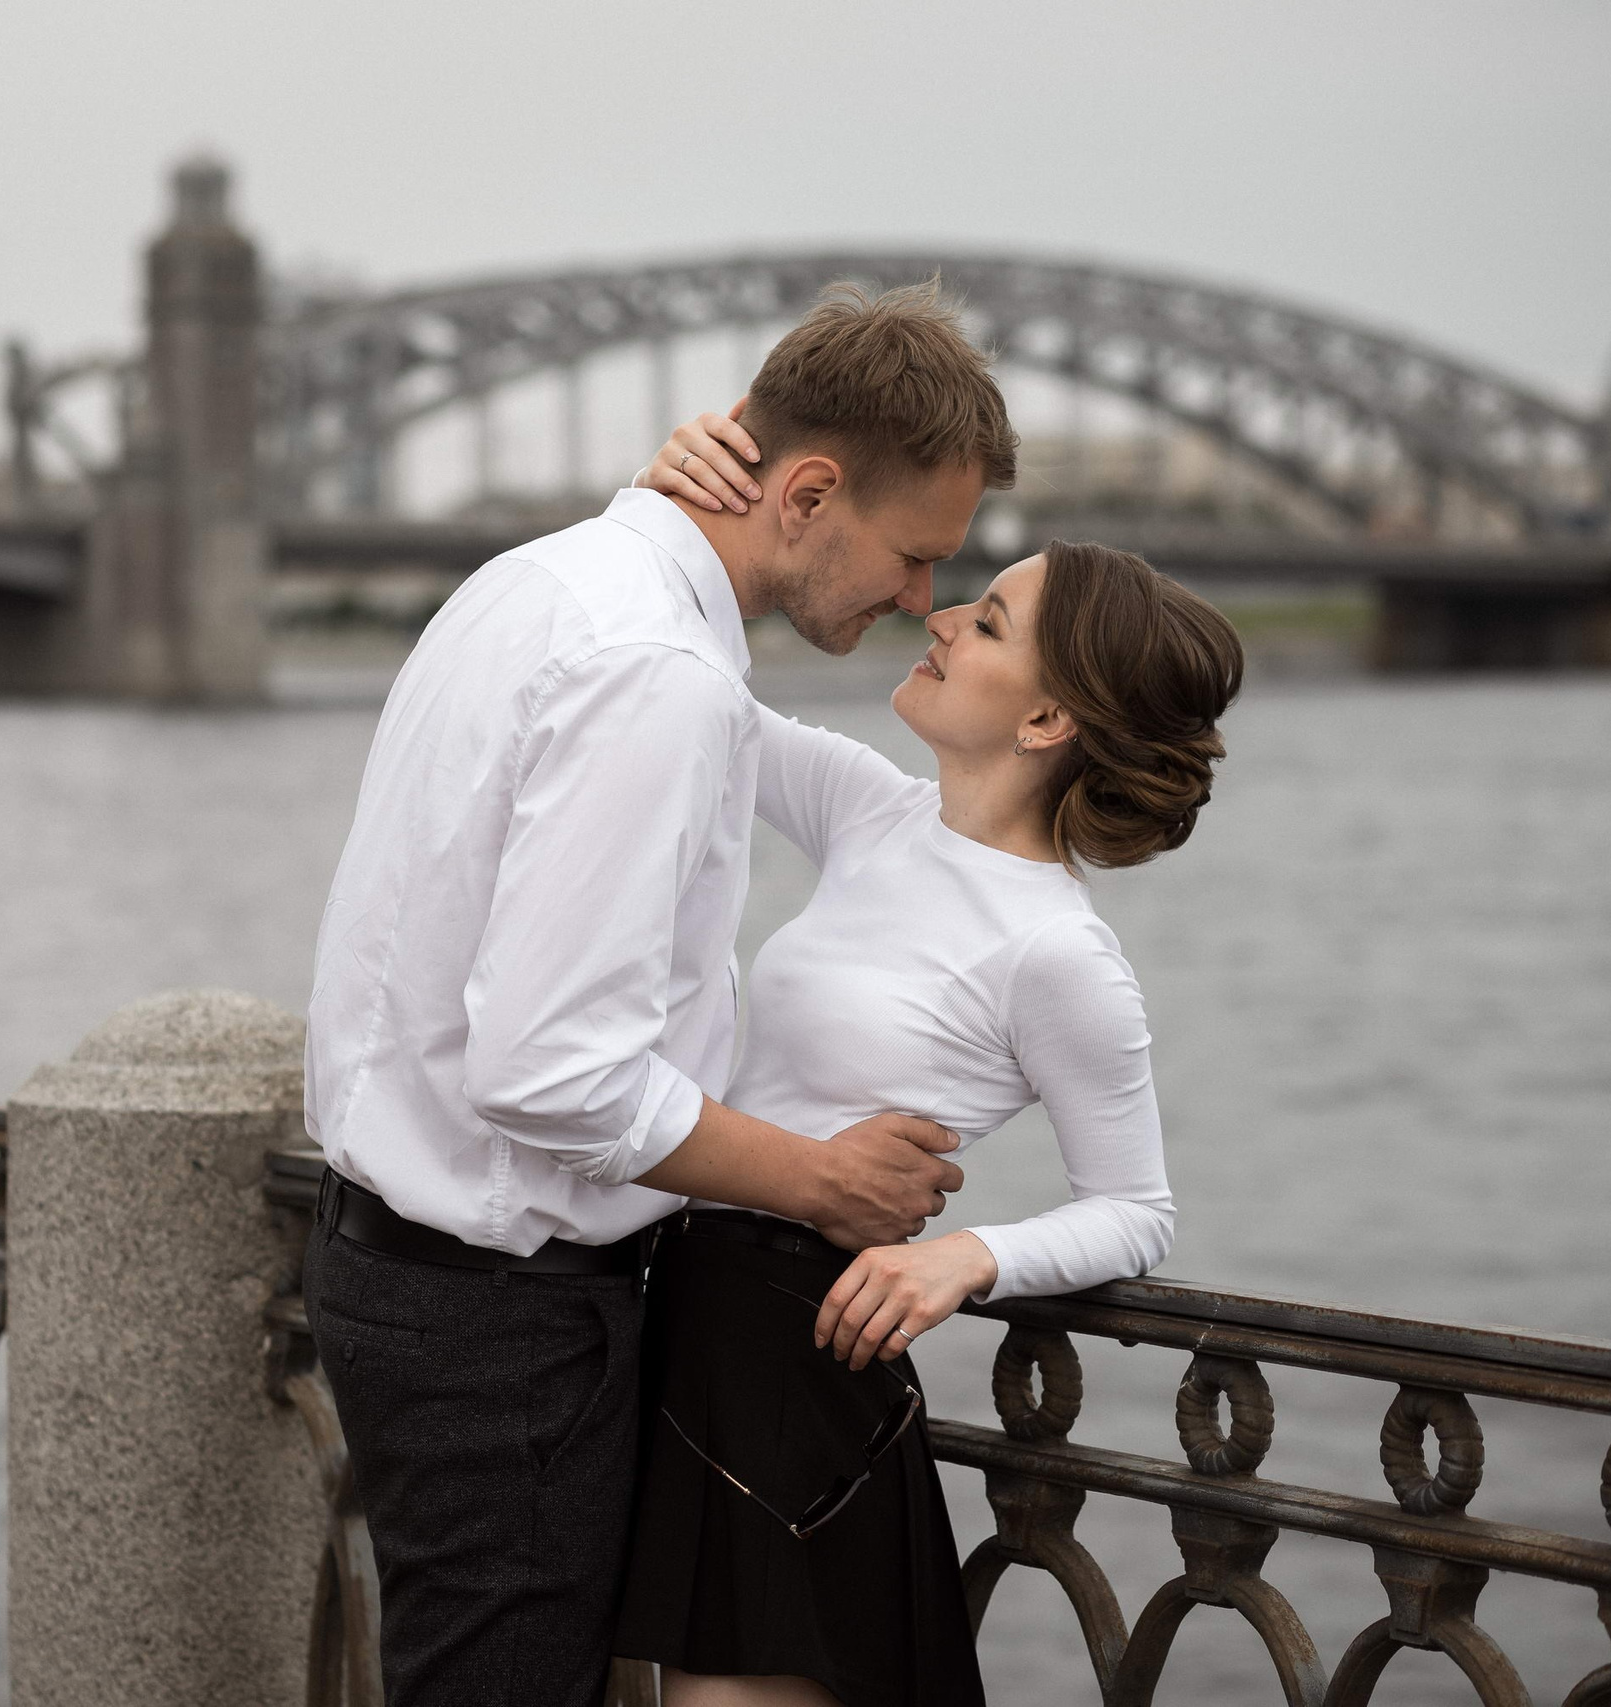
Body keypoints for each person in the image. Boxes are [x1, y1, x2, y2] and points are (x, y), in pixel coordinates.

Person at [303, 282, 1019, 1707]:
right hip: (502, 1323)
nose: (919, 603)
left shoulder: (544, 578)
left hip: (412, 1270)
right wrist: (818, 1180)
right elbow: (552, 1073)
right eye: (915, 556)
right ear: (807, 491)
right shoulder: (656, 675)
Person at [612, 407, 1244, 1707]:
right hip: (690, 1319)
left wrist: (967, 1256)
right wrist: (660, 500)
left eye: (992, 623)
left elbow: (1137, 1211)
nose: (941, 618)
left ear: (1049, 717)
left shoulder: (1058, 956)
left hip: (809, 1362)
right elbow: (674, 671)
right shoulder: (869, 813)